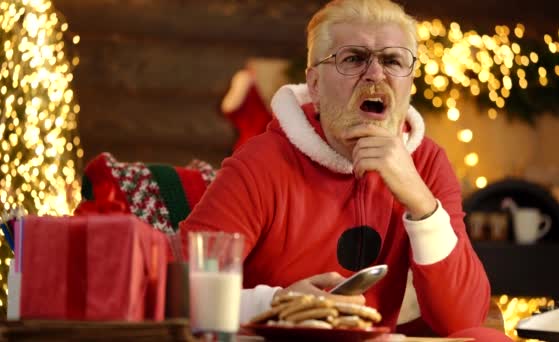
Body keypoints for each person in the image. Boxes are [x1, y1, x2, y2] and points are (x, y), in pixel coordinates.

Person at [181, 0, 509, 339]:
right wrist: (278, 303)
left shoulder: (427, 164)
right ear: (315, 85)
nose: (376, 74)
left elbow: (464, 320)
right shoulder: (261, 164)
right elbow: (176, 291)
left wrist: (422, 203)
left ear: (409, 82)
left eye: (393, 60)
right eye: (353, 58)